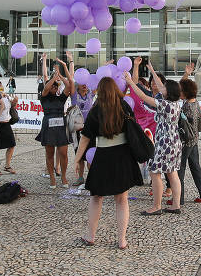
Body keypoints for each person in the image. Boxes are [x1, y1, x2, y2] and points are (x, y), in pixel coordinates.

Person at [75, 77, 143, 249]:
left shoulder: (96, 110)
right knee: (122, 199)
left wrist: (76, 160)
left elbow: (85, 139)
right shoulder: (124, 106)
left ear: (100, 91)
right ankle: (122, 240)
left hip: (103, 156)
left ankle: (90, 236)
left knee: (96, 197)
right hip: (123, 156)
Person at [124, 62, 183, 216]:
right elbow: (161, 86)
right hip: (175, 142)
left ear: (168, 92)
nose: (159, 87)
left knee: (155, 172)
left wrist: (130, 82)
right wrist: (152, 70)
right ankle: (176, 205)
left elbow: (143, 96)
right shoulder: (176, 103)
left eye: (163, 87)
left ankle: (156, 206)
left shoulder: (163, 104)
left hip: (164, 142)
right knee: (172, 173)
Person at [175, 66, 201, 205]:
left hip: (186, 142)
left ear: (184, 93)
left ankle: (179, 198)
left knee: (180, 170)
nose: (179, 92)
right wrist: (186, 75)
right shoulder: (195, 103)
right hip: (195, 139)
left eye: (180, 91)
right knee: (196, 167)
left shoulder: (185, 107)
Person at [37, 52, 73, 189]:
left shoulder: (61, 98)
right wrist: (53, 78)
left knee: (63, 152)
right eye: (53, 85)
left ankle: (63, 175)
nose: (54, 87)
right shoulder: (44, 97)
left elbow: (69, 87)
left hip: (60, 125)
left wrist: (60, 77)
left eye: (55, 86)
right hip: (48, 124)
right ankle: (52, 176)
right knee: (49, 152)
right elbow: (46, 88)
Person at [69, 79, 94, 187]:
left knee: (90, 153)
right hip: (77, 129)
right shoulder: (74, 95)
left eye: (86, 83)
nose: (85, 85)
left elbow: (99, 81)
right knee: (79, 154)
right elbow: (70, 80)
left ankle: (92, 177)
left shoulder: (90, 94)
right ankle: (80, 177)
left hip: (89, 128)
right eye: (82, 83)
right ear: (77, 85)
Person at [0, 80, 18, 175]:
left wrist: (14, 102)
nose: (0, 87)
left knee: (12, 144)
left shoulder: (6, 96)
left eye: (0, 85)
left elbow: (11, 107)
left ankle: (7, 165)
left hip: (6, 123)